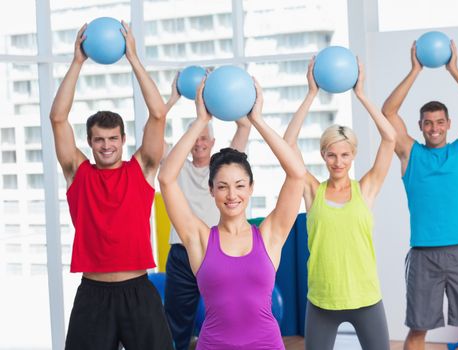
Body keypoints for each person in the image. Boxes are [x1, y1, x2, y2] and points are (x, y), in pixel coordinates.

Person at [50, 23, 173, 350]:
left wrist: (132, 57)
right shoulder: (78, 173)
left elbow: (158, 115)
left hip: (137, 291)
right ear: (89, 142)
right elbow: (58, 119)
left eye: (113, 139)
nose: (107, 146)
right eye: (99, 140)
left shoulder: (142, 168)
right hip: (93, 294)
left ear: (123, 140)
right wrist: (77, 62)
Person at [158, 78, 305, 349]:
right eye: (222, 187)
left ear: (251, 189)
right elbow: (166, 177)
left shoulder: (270, 235)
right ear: (211, 191)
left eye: (239, 186)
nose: (232, 195)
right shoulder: (199, 238)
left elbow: (297, 174)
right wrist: (201, 121)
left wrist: (257, 120)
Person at [381, 41, 458, 350]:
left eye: (440, 122)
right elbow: (388, 111)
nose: (434, 128)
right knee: (418, 331)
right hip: (423, 256)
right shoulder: (408, 154)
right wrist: (415, 70)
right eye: (428, 123)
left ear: (448, 124)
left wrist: (453, 69)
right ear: (420, 126)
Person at [284, 58, 396, 349]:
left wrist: (361, 94)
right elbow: (289, 142)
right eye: (332, 155)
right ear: (323, 155)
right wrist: (311, 94)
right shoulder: (311, 190)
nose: (338, 162)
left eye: (345, 155)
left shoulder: (366, 189)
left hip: (365, 297)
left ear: (353, 156)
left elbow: (389, 138)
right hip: (322, 299)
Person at [162, 75, 251, 350]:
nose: (199, 143)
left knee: (231, 318)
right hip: (181, 254)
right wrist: (174, 98)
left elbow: (245, 125)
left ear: (212, 143)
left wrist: (216, 89)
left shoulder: (222, 170)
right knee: (176, 323)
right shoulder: (177, 169)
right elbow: (152, 130)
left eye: (204, 138)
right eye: (194, 139)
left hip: (217, 249)